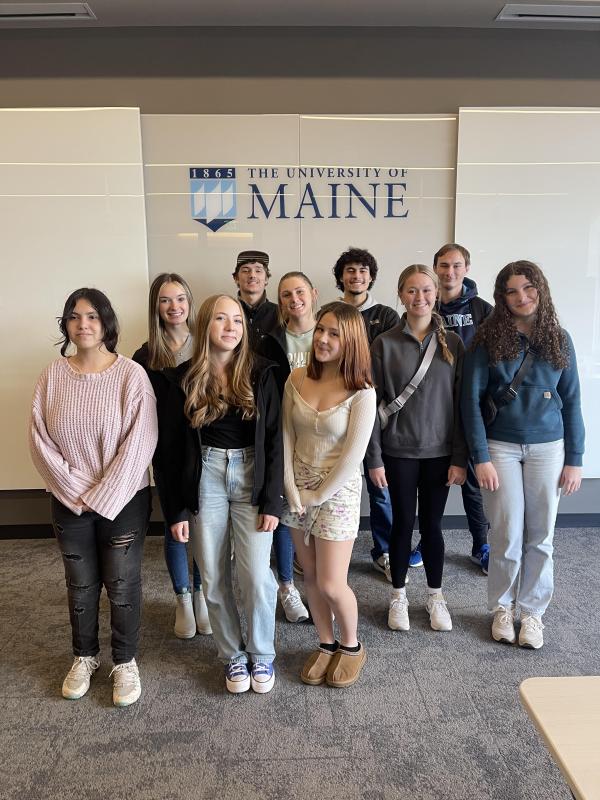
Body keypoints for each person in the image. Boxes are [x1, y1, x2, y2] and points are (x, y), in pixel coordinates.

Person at [29, 288, 158, 707]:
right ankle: (85, 656)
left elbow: (141, 441)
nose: (83, 324)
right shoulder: (52, 375)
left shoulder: (131, 375)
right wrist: (73, 491)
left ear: (106, 323)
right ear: (65, 324)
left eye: (92, 316)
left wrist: (102, 494)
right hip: (68, 500)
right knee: (80, 585)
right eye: (74, 316)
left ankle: (124, 661)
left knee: (121, 584)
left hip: (124, 499)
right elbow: (39, 439)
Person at [158, 294, 282, 694]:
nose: (231, 327)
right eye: (221, 319)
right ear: (204, 326)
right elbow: (170, 451)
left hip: (251, 475)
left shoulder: (264, 373)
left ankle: (262, 653)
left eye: (237, 321)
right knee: (212, 575)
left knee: (256, 576)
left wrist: (273, 500)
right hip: (205, 475)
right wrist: (175, 510)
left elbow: (278, 441)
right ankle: (232, 656)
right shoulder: (181, 379)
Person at [461, 261, 584, 649]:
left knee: (541, 535)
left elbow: (573, 402)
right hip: (500, 447)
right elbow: (470, 402)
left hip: (549, 446)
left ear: (540, 290)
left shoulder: (559, 339)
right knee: (506, 532)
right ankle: (501, 608)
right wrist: (479, 457)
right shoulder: (486, 339)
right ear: (502, 297)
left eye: (528, 289)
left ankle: (531, 613)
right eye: (512, 291)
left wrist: (575, 459)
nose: (521, 297)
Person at [367, 266, 467, 633]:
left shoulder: (453, 344)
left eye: (427, 290)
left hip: (440, 455)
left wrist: (460, 458)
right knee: (402, 524)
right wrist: (374, 458)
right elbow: (370, 405)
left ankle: (435, 597)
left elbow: (461, 406)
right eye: (412, 291)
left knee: (433, 527)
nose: (420, 298)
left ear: (437, 293)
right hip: (397, 452)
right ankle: (398, 596)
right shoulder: (384, 343)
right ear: (400, 293)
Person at [282, 301, 376, 688]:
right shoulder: (296, 377)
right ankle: (325, 642)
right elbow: (286, 436)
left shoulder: (362, 391)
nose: (322, 338)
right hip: (296, 490)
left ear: (350, 340)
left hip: (336, 492)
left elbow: (353, 458)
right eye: (320, 329)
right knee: (310, 579)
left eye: (334, 333)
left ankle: (351, 646)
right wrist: (290, 488)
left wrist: (317, 494)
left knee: (332, 583)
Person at [133, 273, 211, 639]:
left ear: (190, 302)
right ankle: (182, 599)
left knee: (204, 527)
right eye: (165, 300)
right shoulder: (145, 356)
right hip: (166, 452)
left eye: (180, 298)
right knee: (176, 527)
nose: (174, 307)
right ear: (156, 307)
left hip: (207, 449)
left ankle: (201, 596)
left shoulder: (208, 345)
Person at [409, 243, 492, 573]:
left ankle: (480, 544)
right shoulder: (425, 303)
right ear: (435, 267)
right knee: (432, 481)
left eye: (457, 265)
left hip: (471, 404)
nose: (450, 272)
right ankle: (426, 541)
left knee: (471, 479)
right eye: (444, 265)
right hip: (434, 405)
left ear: (467, 268)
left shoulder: (484, 310)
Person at [333, 247, 400, 583]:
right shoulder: (330, 314)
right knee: (333, 478)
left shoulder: (386, 315)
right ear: (341, 277)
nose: (356, 276)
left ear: (371, 276)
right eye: (350, 270)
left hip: (376, 412)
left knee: (379, 482)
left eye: (362, 270)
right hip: (335, 409)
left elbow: (390, 364)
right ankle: (325, 547)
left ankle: (383, 551)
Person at [258, 271, 319, 623]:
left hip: (324, 438)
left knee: (321, 513)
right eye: (285, 295)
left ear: (312, 293)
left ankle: (319, 586)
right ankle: (286, 586)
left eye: (299, 291)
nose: (293, 299)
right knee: (285, 512)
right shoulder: (270, 341)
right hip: (285, 435)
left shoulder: (330, 330)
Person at [233, 250, 279, 351]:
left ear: (266, 278)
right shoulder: (227, 313)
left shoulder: (281, 314)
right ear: (236, 278)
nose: (252, 275)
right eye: (245, 270)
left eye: (258, 271)